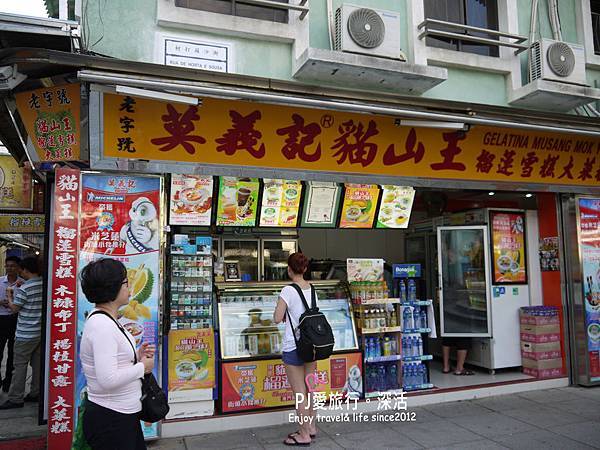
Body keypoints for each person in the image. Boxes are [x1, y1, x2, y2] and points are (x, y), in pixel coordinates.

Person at [79, 258, 154, 450]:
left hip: (122, 415)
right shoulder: (102, 326)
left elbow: (114, 362)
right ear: (112, 288)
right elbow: (108, 379)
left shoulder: (109, 319)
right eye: (126, 283)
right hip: (111, 419)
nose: (130, 288)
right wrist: (141, 367)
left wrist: (137, 356)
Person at [274, 252, 316, 446]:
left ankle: (303, 434)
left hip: (294, 347)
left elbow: (276, 317)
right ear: (305, 269)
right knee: (310, 390)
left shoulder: (288, 291)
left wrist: (283, 313)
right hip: (312, 346)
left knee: (300, 393)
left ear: (289, 269)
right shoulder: (312, 288)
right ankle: (311, 427)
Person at [0, 256, 43, 409]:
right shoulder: (44, 284)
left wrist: (10, 294)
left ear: (25, 270)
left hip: (25, 333)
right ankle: (35, 393)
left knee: (20, 366)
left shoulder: (24, 288)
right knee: (37, 365)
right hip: (39, 332)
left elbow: (14, 309)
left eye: (20, 269)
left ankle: (15, 398)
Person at [0, 256, 23, 393]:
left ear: (18, 268)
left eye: (13, 266)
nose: (10, 268)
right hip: (1, 319)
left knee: (13, 354)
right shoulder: (0, 281)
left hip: (16, 320)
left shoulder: (23, 283)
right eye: (8, 266)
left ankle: (8, 382)